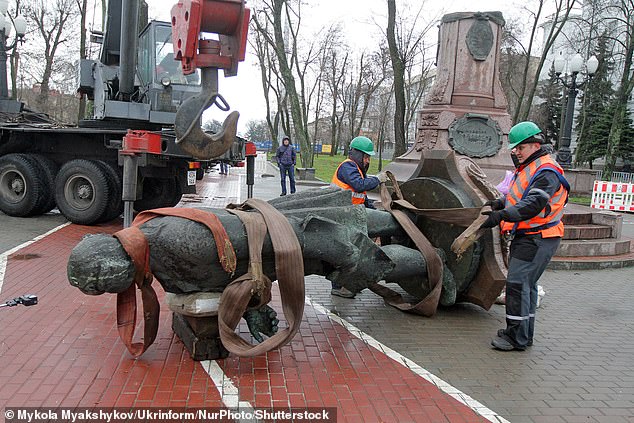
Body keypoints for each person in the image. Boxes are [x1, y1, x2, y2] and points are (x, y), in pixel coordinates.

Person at [480, 121, 570, 351]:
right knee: (527, 285)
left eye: (520, 147)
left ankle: (515, 337)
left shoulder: (546, 171)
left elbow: (534, 204)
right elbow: (520, 197)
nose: (516, 152)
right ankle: (523, 335)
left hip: (537, 236)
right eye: (515, 148)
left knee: (517, 285)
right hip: (533, 235)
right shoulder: (532, 167)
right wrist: (500, 202)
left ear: (535, 144)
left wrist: (500, 215)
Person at [329, 135, 387, 298]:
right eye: (366, 157)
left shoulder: (357, 170)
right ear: (356, 154)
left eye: (368, 157)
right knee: (343, 253)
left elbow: (361, 197)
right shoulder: (348, 167)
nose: (368, 161)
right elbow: (359, 185)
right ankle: (337, 286)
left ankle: (345, 285)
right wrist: (377, 180)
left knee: (351, 253)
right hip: (342, 216)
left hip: (351, 217)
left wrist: (375, 212)